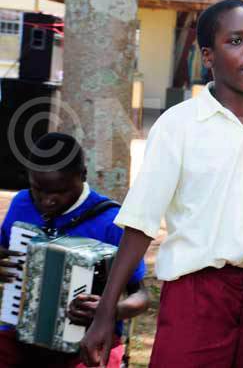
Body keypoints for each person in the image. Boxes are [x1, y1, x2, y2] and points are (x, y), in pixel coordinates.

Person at [80, 0, 243, 368]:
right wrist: (105, 312)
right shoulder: (179, 124)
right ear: (208, 56)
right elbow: (141, 222)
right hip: (197, 295)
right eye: (236, 41)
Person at [0, 133, 148, 368]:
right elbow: (5, 253)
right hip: (20, 333)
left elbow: (141, 296)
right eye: (39, 189)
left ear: (82, 176)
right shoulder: (21, 203)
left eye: (60, 191)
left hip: (89, 339)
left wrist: (108, 310)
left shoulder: (112, 222)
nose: (48, 201)